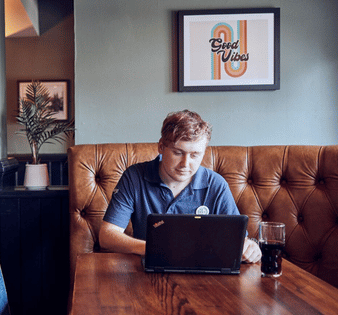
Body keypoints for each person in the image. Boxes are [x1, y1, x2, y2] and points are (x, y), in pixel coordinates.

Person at [98, 110, 261, 263]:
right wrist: (153, 249)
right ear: (161, 147)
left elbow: (238, 240)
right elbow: (107, 236)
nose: (186, 164)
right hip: (148, 268)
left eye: (195, 155)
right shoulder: (134, 176)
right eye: (178, 153)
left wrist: (250, 247)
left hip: (202, 272)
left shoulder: (216, 184)